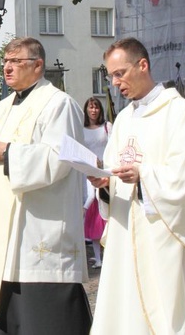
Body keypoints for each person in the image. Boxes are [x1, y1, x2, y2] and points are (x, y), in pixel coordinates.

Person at [89, 38, 185, 334]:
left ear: (143, 65)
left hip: (164, 233)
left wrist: (144, 175)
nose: (115, 83)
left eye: (120, 73)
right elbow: (114, 171)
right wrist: (104, 183)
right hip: (126, 232)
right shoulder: (123, 119)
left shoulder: (181, 113)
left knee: (164, 313)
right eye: (111, 76)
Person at [0, 37, 91, 334]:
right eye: (4, 61)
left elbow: (59, 158)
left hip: (36, 228)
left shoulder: (59, 105)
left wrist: (5, 153)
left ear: (38, 65)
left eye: (15, 61)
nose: (7, 67)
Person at [81, 97, 110, 269]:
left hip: (105, 171)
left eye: (96, 108)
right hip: (87, 173)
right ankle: (98, 257)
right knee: (93, 218)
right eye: (90, 108)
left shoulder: (107, 127)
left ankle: (109, 253)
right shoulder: (81, 129)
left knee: (105, 211)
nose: (93, 111)